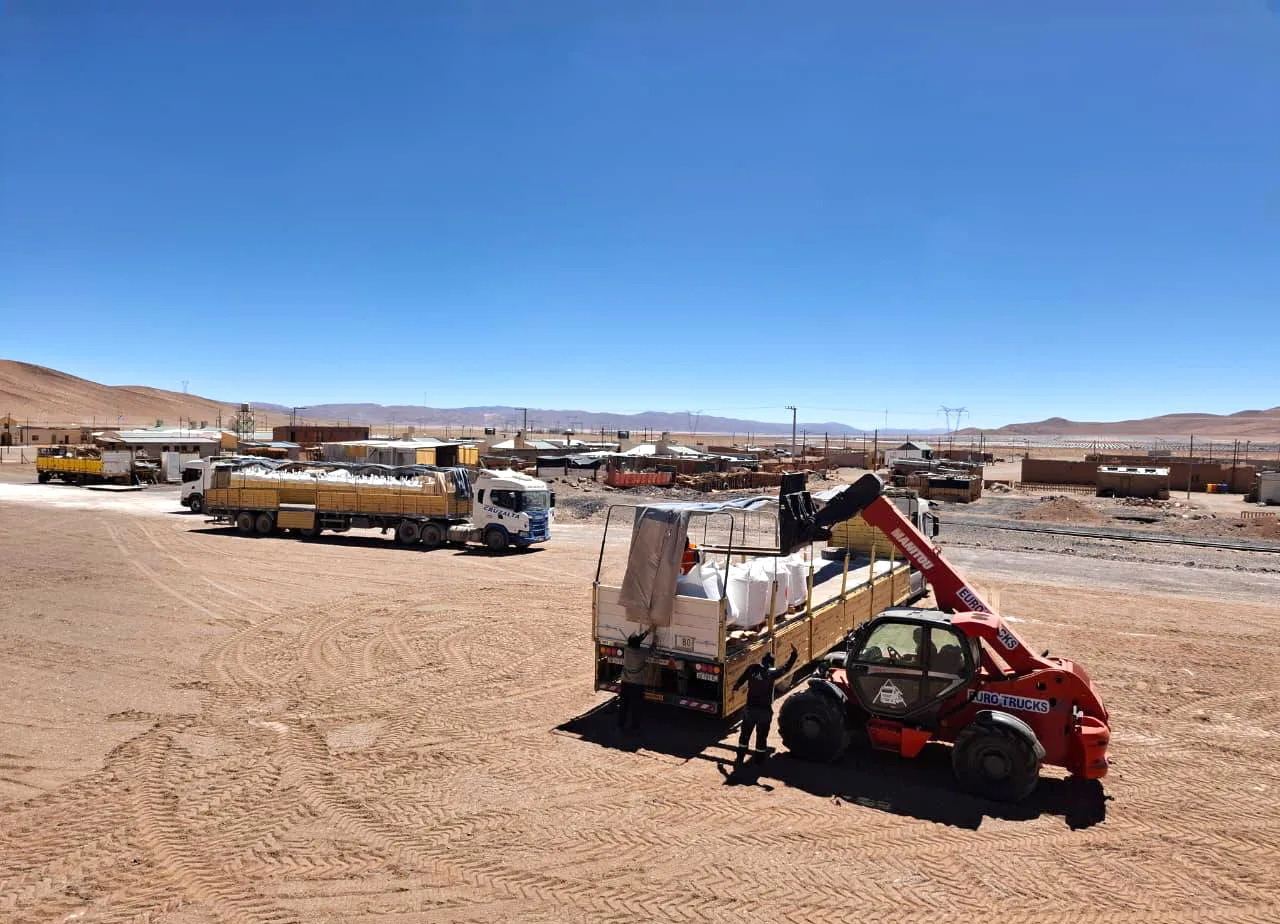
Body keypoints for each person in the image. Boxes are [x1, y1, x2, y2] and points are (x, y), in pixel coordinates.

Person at [732, 645, 798, 761]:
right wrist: (794, 655)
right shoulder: (771, 674)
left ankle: (740, 758)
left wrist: (736, 687)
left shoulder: (752, 669)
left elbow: (742, 678)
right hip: (764, 712)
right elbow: (786, 668)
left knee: (745, 735)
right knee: (761, 737)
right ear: (771, 665)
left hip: (750, 710)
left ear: (762, 661)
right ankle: (759, 761)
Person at [618, 626, 655, 733]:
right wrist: (654, 641)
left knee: (623, 705)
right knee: (636, 706)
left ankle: (620, 725)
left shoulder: (627, 649)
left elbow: (637, 640)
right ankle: (635, 727)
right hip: (637, 684)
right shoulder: (642, 653)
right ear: (638, 644)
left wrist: (647, 632)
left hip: (625, 682)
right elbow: (652, 650)